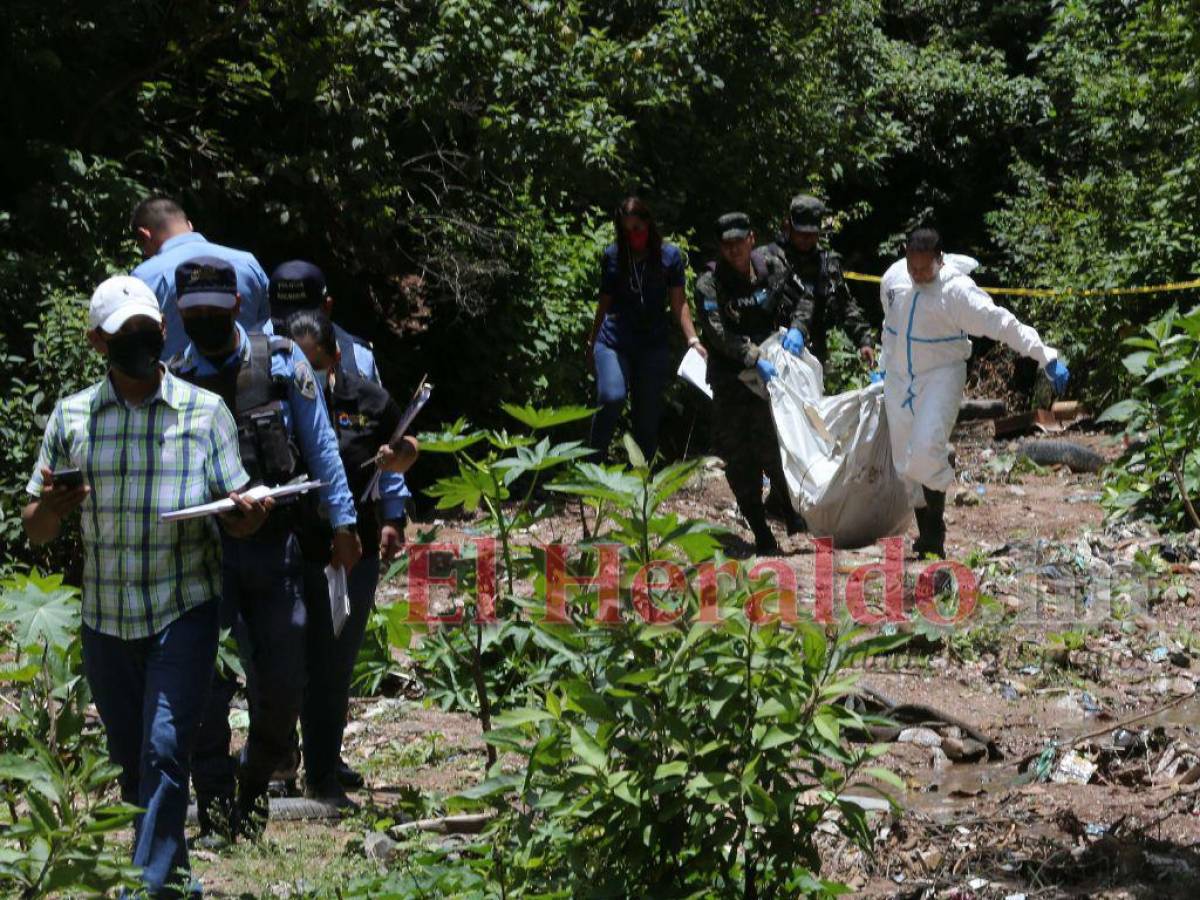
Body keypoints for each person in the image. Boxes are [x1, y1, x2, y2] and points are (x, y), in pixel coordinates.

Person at [22, 275, 270, 897]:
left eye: (147, 329)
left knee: (164, 750)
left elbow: (239, 508)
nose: (139, 340)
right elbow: (35, 529)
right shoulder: (73, 416)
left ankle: (139, 890)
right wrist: (54, 507)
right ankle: (175, 884)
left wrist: (248, 515)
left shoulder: (203, 411)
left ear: (162, 332)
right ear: (96, 342)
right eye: (123, 333)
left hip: (181, 606)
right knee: (136, 765)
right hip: (108, 617)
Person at [166, 256, 362, 846]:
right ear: (181, 315)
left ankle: (255, 788)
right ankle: (219, 809)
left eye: (213, 312)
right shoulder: (175, 377)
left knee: (283, 684)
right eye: (192, 314)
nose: (204, 321)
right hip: (205, 559)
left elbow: (321, 444)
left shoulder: (280, 361)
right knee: (205, 690)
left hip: (275, 554)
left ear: (236, 308)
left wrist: (344, 520)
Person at [265, 259, 410, 794]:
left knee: (333, 662)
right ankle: (279, 763)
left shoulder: (360, 366)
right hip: (287, 538)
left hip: (350, 542)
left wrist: (393, 512)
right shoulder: (262, 360)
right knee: (285, 659)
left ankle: (323, 768)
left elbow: (390, 447)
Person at [879, 227, 1069, 558]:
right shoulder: (894, 280)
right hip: (899, 377)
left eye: (925, 268)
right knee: (904, 464)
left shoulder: (958, 293)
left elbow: (1002, 324)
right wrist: (884, 364)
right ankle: (926, 536)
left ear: (939, 260)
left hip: (940, 376)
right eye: (913, 267)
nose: (918, 275)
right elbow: (890, 326)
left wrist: (1045, 354)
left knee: (925, 451)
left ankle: (935, 533)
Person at [696, 213, 809, 554]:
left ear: (751, 239)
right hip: (732, 378)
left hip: (773, 374)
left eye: (739, 243)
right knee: (740, 457)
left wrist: (799, 330)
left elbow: (803, 299)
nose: (734, 251)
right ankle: (761, 532)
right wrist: (750, 355)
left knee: (778, 447)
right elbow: (716, 332)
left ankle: (791, 513)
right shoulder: (709, 283)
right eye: (727, 245)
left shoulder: (772, 266)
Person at [585, 196, 705, 461]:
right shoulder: (614, 256)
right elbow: (603, 302)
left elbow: (678, 302)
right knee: (612, 396)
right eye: (626, 231)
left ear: (648, 225)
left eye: (637, 229)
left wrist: (692, 339)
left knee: (647, 417)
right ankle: (591, 466)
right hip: (614, 341)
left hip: (651, 344)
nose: (633, 236)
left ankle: (642, 486)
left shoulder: (668, 257)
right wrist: (592, 342)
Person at [130, 196, 271, 358]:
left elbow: (138, 344)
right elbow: (266, 325)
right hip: (250, 376)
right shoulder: (247, 262)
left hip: (178, 380)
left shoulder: (145, 277)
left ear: (144, 235)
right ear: (189, 225)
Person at [773, 194, 876, 366]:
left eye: (811, 234)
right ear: (789, 227)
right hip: (775, 345)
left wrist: (864, 340)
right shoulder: (772, 258)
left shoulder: (826, 264)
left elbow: (845, 305)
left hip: (813, 349)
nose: (806, 240)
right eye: (801, 233)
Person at [267, 260, 380, 382]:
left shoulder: (356, 358)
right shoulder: (250, 348)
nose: (292, 332)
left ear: (327, 307)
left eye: (304, 323)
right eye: (283, 320)